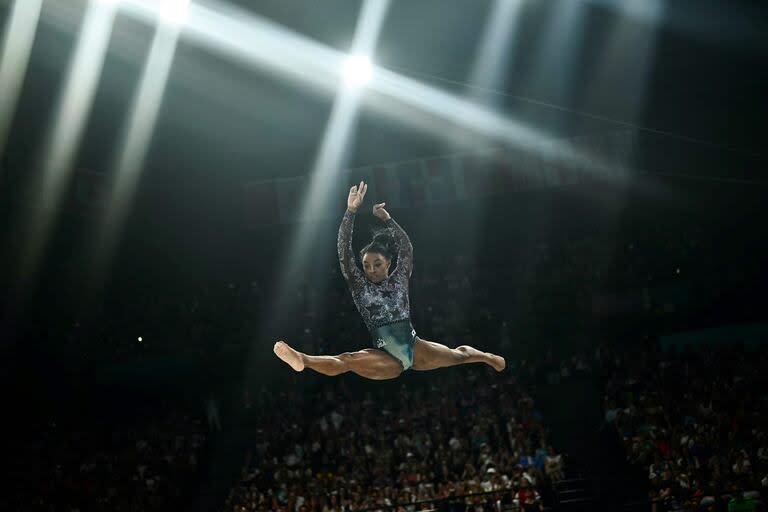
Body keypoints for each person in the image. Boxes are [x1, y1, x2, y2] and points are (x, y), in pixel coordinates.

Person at [274, 181, 505, 380]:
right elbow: (343, 251)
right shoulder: (359, 286)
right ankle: (302, 359)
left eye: (376, 265)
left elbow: (406, 248)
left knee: (459, 356)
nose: (370, 270)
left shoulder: (399, 279)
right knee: (348, 361)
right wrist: (350, 212)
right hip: (385, 357)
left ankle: (486, 356)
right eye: (365, 266)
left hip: (415, 347)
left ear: (388, 264)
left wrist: (388, 219)